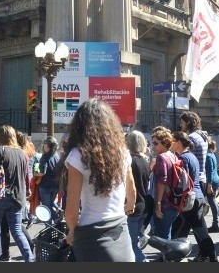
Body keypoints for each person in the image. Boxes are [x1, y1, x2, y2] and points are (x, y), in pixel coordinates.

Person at [60, 98, 135, 262]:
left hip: (91, 235)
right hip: (121, 230)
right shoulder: (122, 152)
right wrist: (126, 209)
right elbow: (132, 193)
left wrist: (72, 233)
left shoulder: (78, 156)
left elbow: (71, 211)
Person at [0, 124, 34, 262]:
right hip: (18, 197)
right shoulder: (23, 153)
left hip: (0, 196)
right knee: (16, 231)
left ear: (1, 137)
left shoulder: (0, 151)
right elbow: (26, 176)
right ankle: (30, 259)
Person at [170, 131, 218, 262]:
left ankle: (168, 258)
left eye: (173, 141)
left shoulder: (183, 158)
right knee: (199, 231)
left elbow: (181, 181)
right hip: (197, 197)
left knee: (183, 231)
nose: (171, 144)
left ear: (179, 142)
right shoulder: (191, 156)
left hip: (189, 200)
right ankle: (212, 258)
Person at [125, 130, 150, 262]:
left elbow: (131, 189)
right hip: (143, 206)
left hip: (132, 207)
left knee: (131, 245)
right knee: (135, 242)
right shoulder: (145, 161)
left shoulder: (130, 162)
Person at [150, 126, 179, 239]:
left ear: (164, 143)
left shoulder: (162, 157)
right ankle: (166, 256)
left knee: (163, 237)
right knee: (167, 233)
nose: (153, 147)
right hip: (173, 202)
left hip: (164, 204)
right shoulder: (173, 156)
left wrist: (158, 204)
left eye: (156, 144)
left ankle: (166, 257)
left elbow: (162, 181)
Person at [34, 136, 61, 223]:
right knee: (49, 204)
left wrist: (35, 173)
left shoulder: (45, 157)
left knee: (46, 208)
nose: (44, 147)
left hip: (45, 186)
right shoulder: (57, 156)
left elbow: (42, 172)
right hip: (56, 185)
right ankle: (58, 211)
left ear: (48, 146)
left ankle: (52, 223)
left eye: (45, 145)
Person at [204, 139, 219, 233]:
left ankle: (215, 224)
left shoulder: (208, 156)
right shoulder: (211, 154)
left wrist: (209, 185)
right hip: (216, 180)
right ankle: (215, 223)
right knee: (212, 201)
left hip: (212, 182)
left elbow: (210, 171)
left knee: (211, 201)